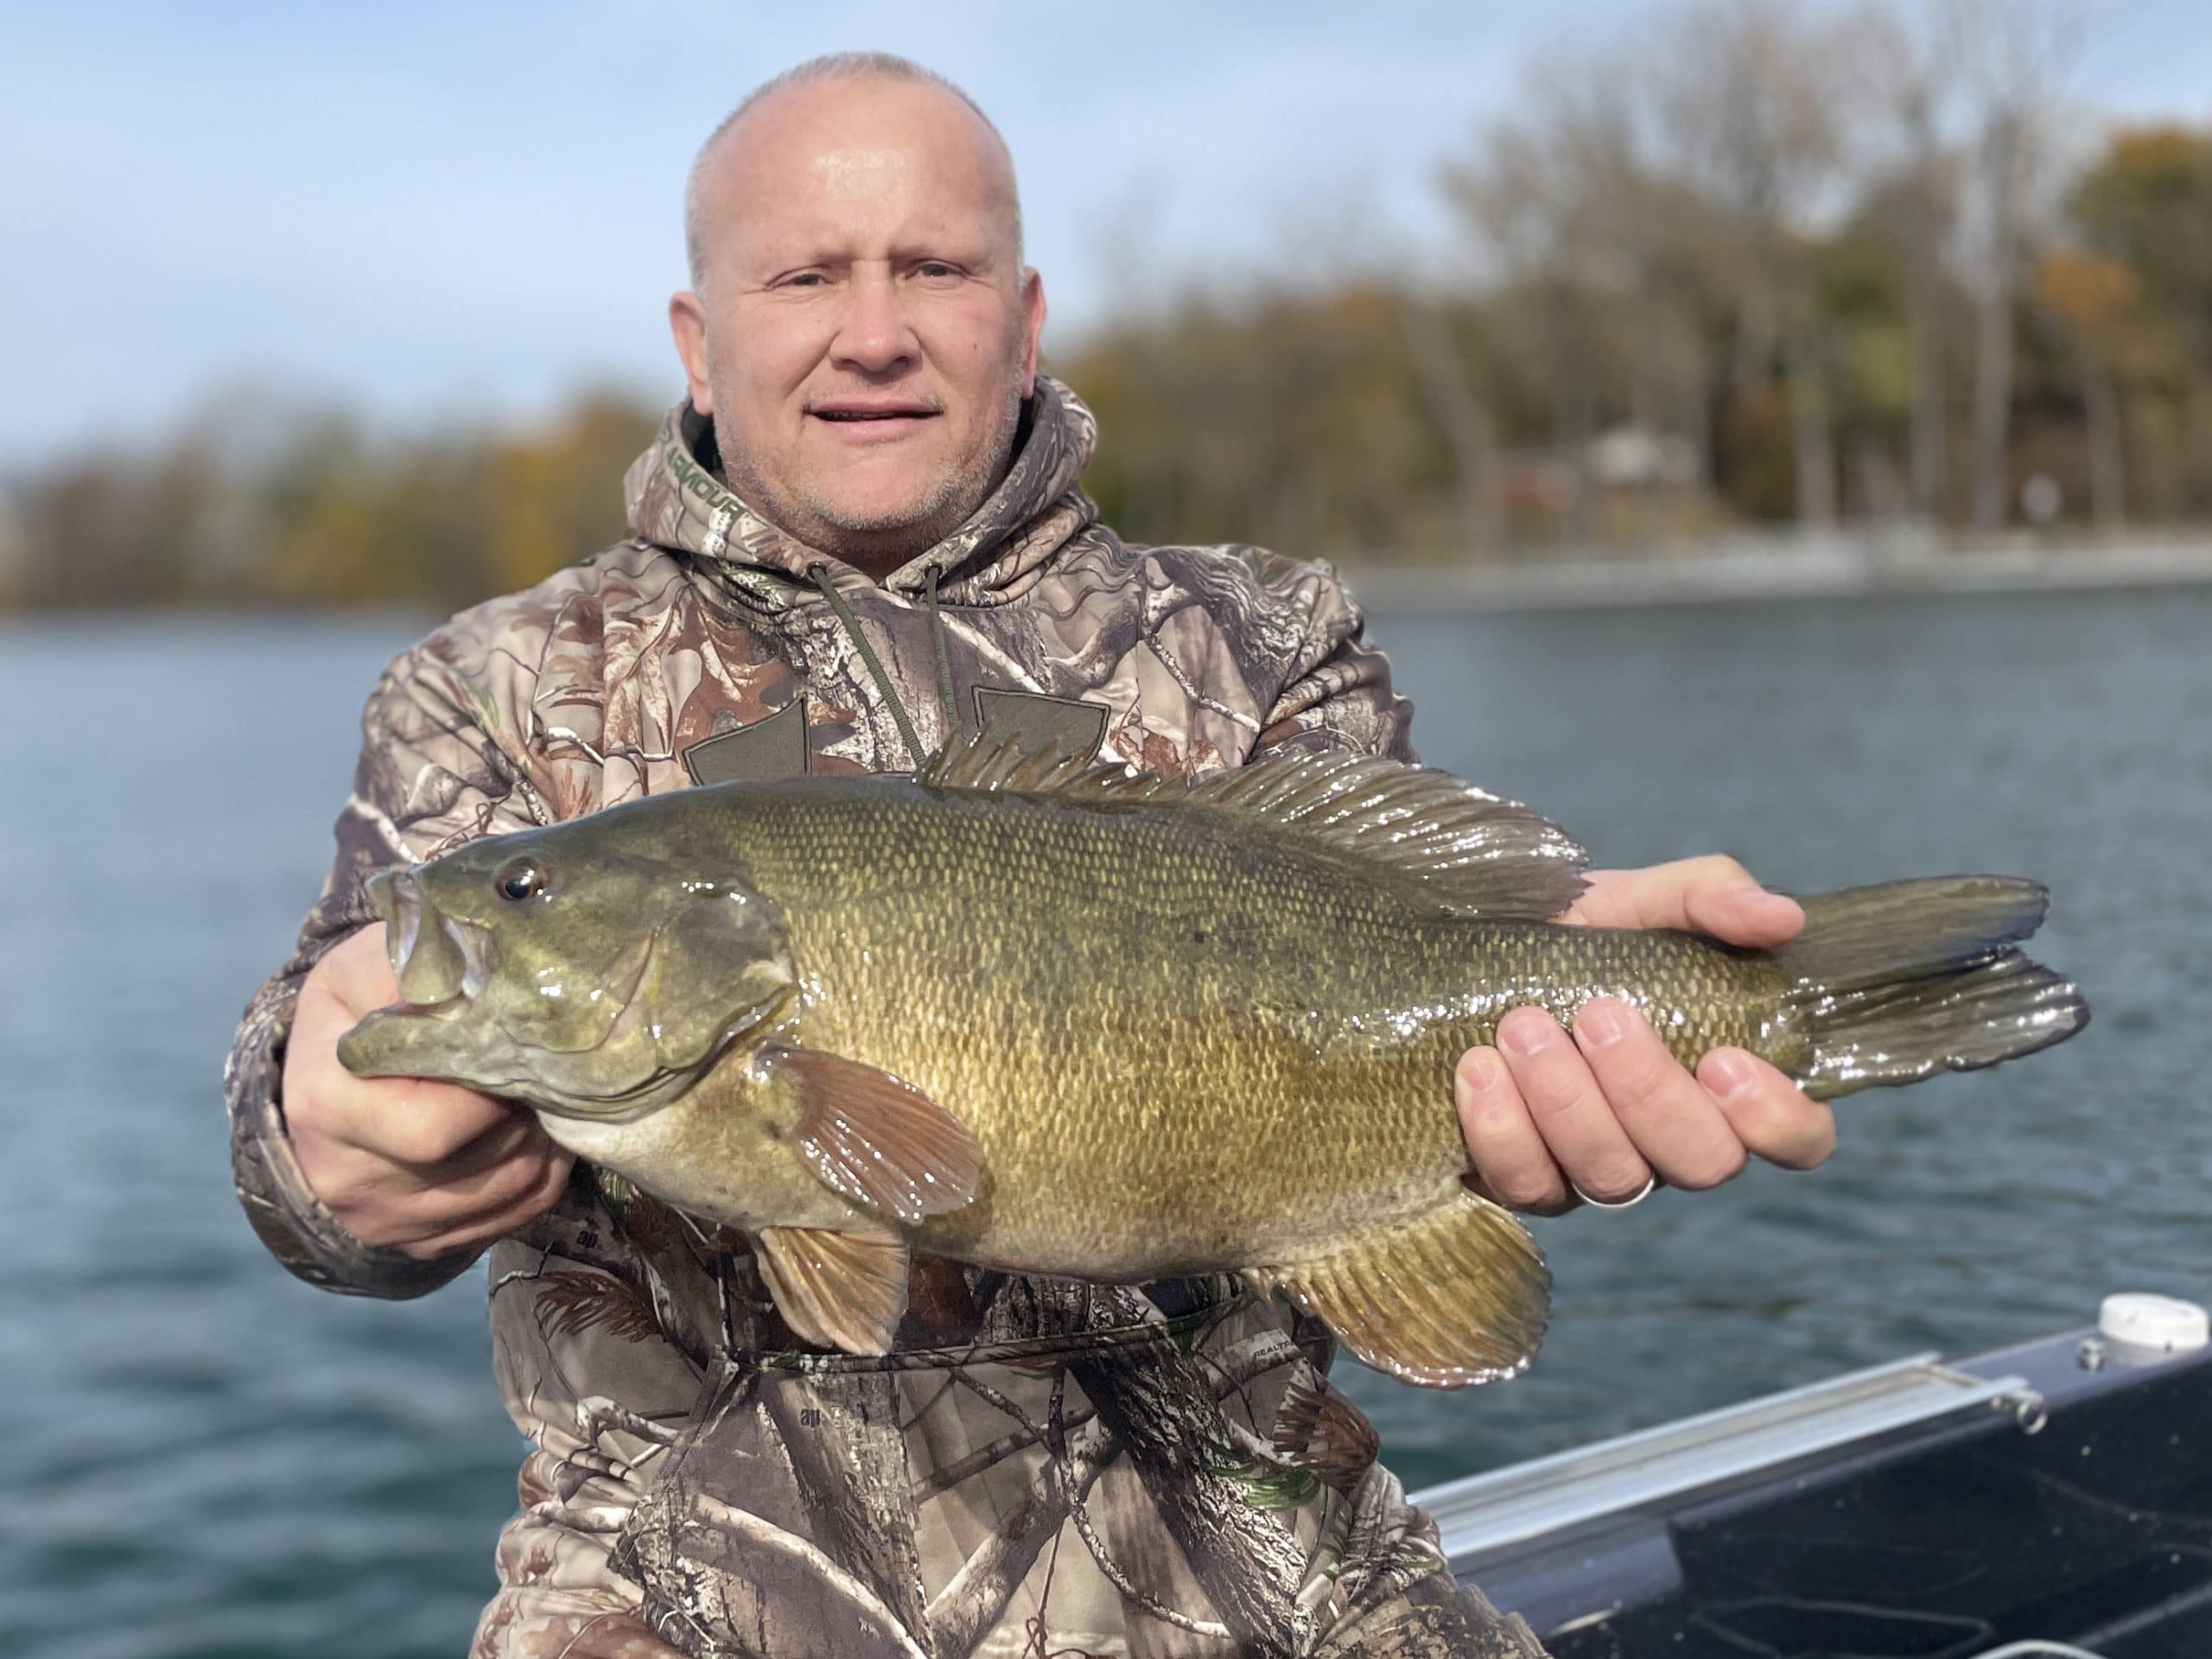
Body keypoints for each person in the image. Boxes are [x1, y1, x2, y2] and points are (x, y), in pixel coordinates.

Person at [226, 53, 1834, 1659]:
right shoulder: (494, 688)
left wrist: (1597, 989)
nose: (874, 330)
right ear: (699, 345)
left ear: (1027, 313)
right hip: (666, 1618)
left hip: (1279, 1596)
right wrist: (316, 1142)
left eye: (933, 266)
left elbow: (1419, 958)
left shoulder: (1265, 637)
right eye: (804, 275)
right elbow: (323, 1114)